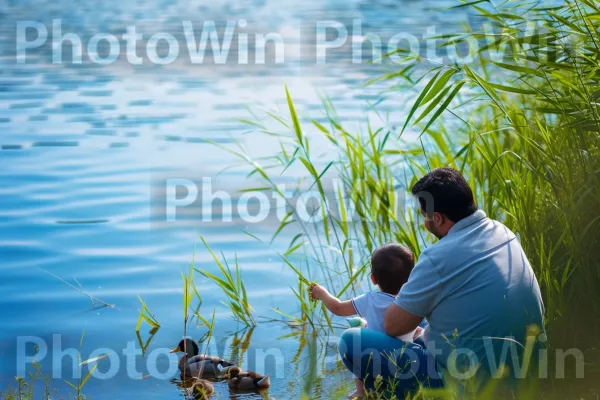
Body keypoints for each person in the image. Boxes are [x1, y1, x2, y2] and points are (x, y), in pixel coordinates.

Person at [338, 168, 545, 397]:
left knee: (352, 341)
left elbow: (393, 325)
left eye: (426, 217)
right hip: (528, 369)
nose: (426, 224)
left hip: (472, 385)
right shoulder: (503, 232)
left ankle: (387, 393)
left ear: (438, 218)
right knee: (422, 323)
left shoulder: (438, 257)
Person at [310, 243, 416, 399]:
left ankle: (362, 392)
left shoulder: (369, 299)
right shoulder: (411, 300)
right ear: (412, 277)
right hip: (405, 361)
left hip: (375, 357)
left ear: (373, 279)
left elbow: (338, 308)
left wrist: (321, 292)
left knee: (359, 344)